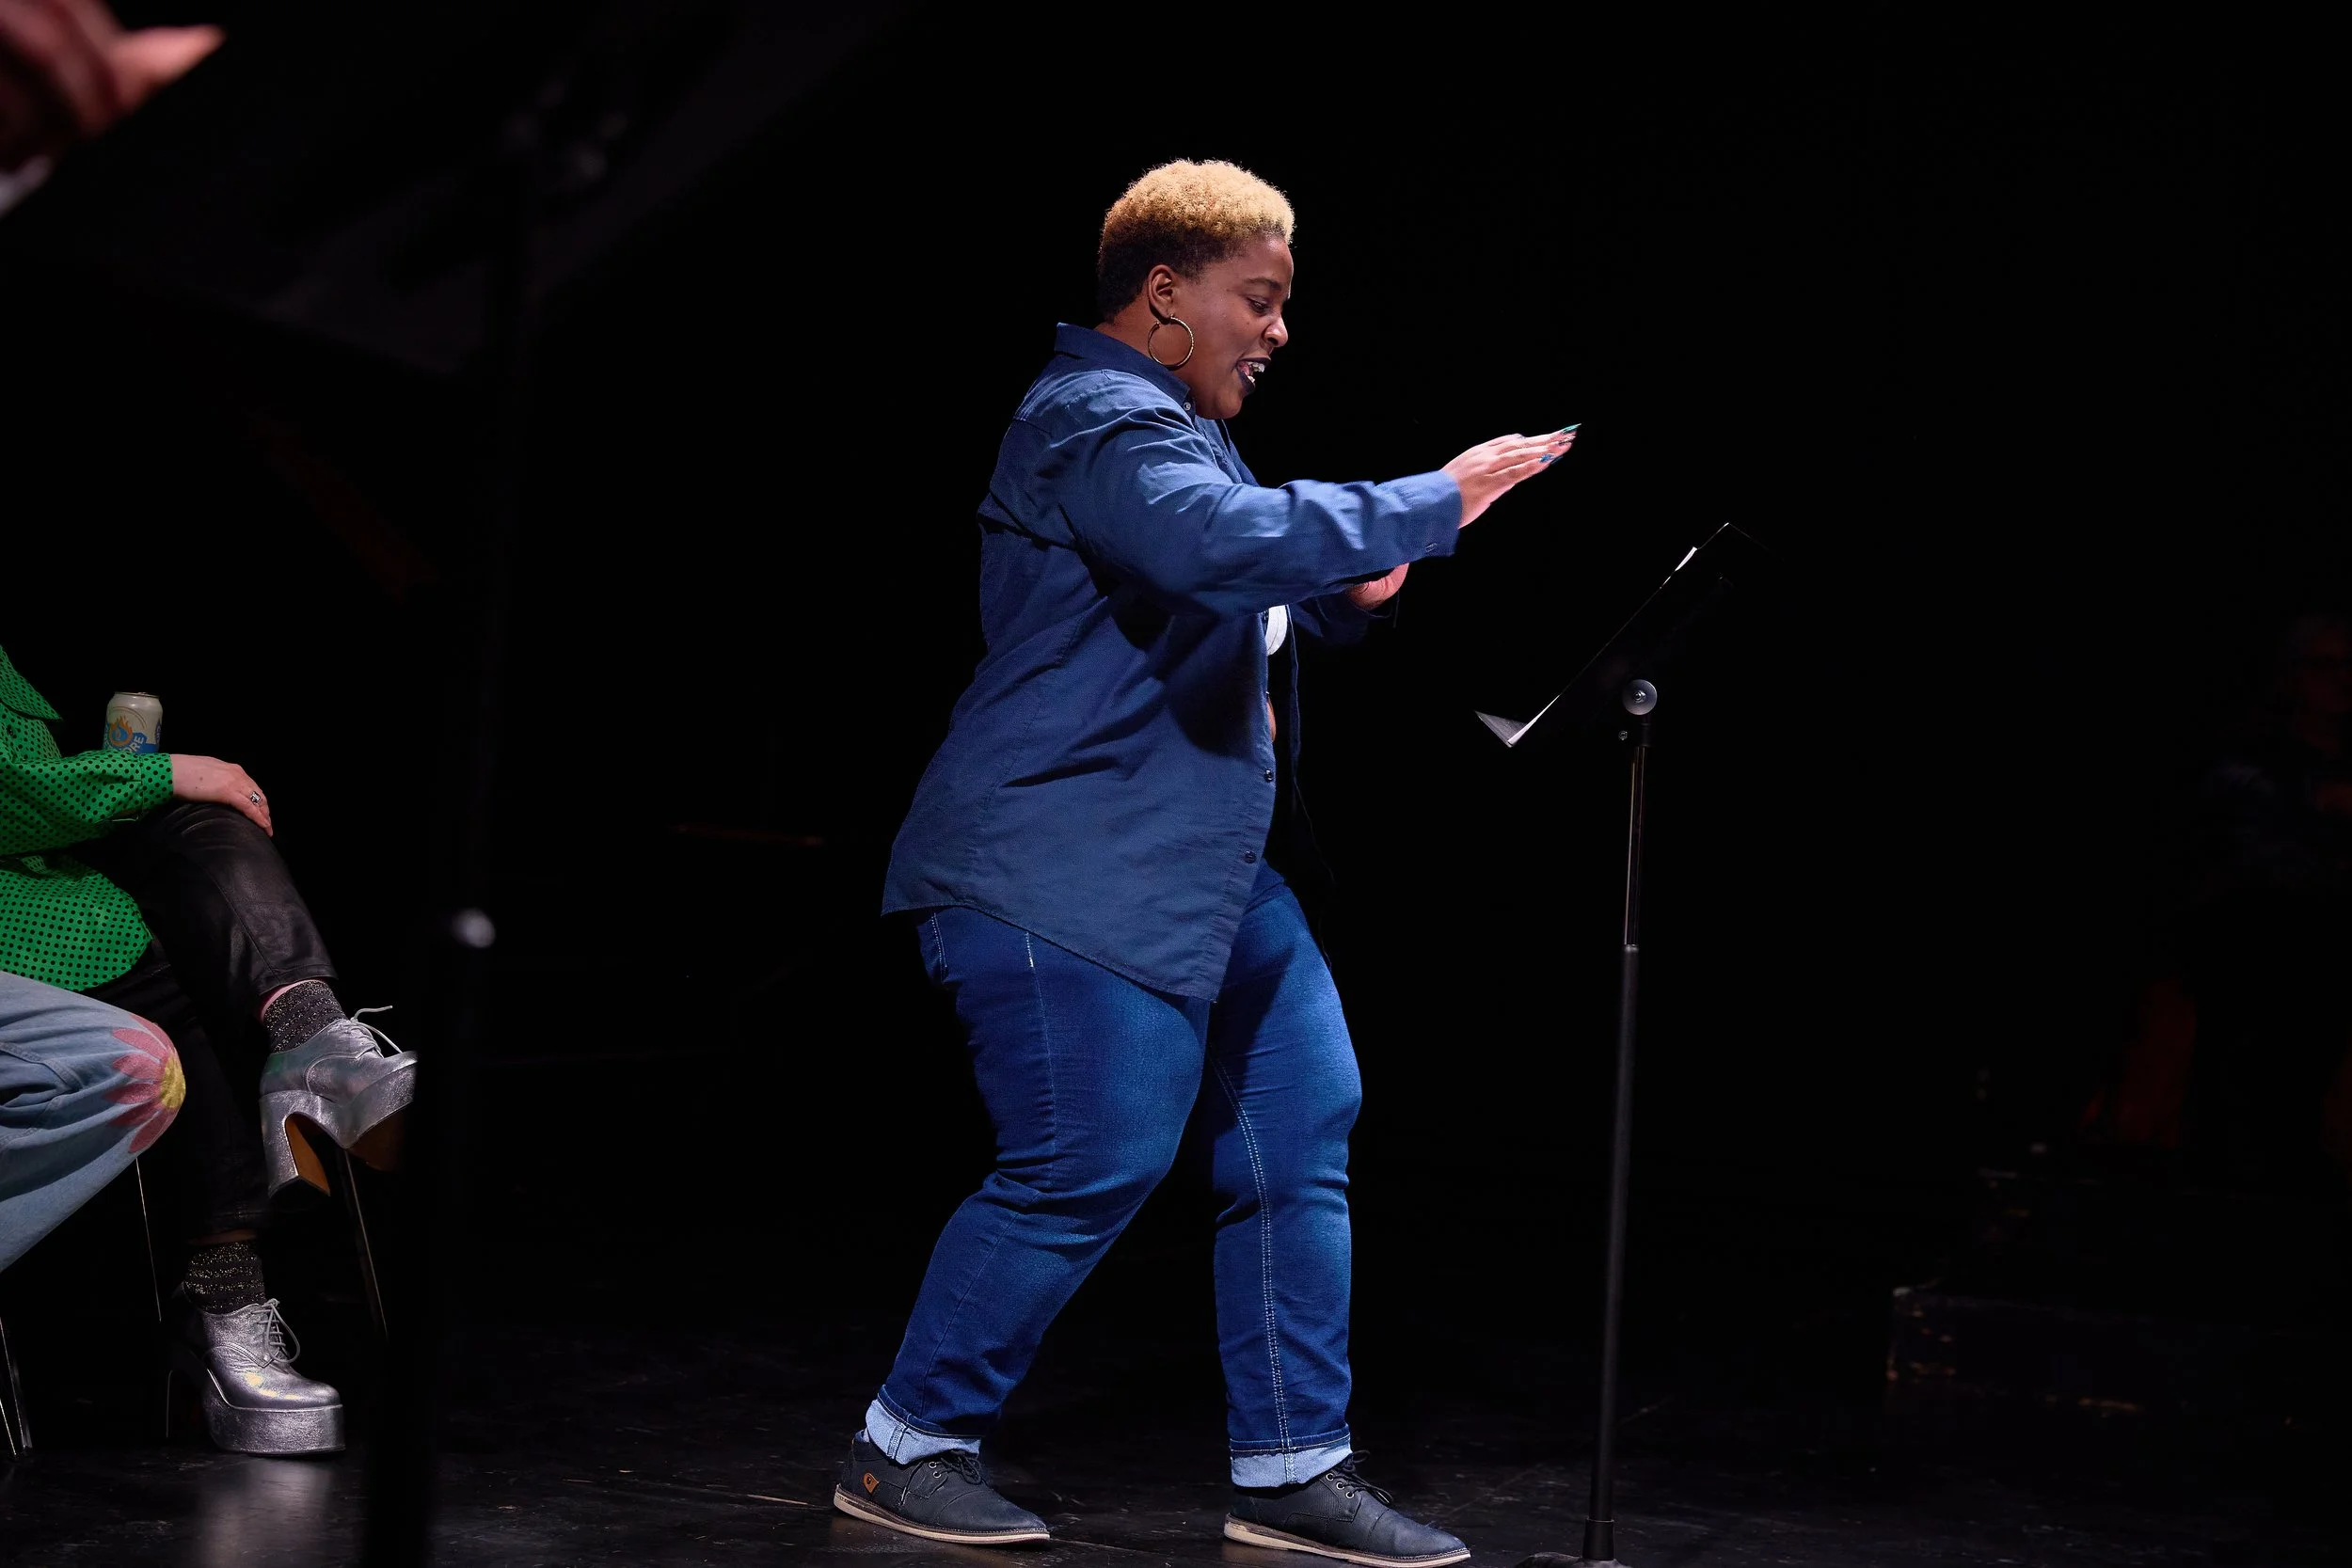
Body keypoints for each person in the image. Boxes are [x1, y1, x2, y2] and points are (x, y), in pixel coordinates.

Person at [840, 160, 1573, 1563]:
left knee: (1304, 1124)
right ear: (1165, 294)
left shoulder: (1173, 428)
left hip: (1202, 865)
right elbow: (1212, 541)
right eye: (1260, 296)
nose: (1279, 329)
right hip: (1060, 861)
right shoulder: (1090, 415)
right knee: (1090, 1154)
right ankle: (903, 1444)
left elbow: (1222, 583)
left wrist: (1337, 594)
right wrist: (1431, 498)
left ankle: (1293, 1463)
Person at [0, 643, 415, 1454]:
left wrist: (165, 785)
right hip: (22, 934)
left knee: (206, 833)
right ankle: (223, 1298)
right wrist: (162, 772)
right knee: (177, 980)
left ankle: (312, 1034)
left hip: (57, 890)